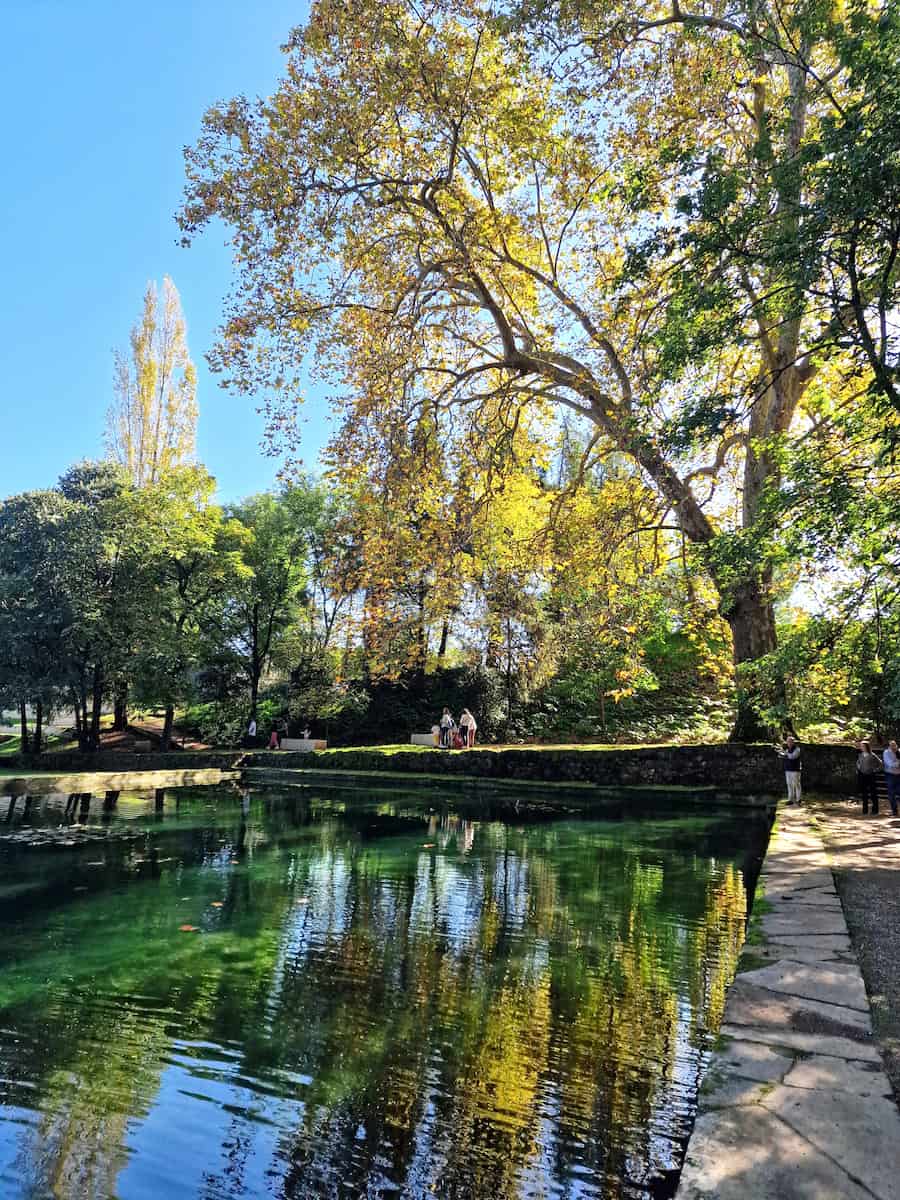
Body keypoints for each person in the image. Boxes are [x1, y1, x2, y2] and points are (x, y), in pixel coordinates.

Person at [856, 740, 882, 815]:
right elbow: (858, 762)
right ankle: (865, 810)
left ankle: (875, 810)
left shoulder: (872, 755)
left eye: (862, 746)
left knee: (873, 793)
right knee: (864, 793)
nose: (861, 747)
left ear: (866, 747)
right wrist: (858, 767)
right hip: (862, 776)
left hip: (871, 776)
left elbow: (880, 764)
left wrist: (875, 770)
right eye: (861, 746)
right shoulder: (860, 755)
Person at [776, 735, 802, 804]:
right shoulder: (787, 749)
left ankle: (798, 799)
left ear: (793, 742)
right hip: (788, 769)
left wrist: (784, 753)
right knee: (789, 784)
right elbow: (784, 755)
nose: (788, 743)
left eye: (790, 741)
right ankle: (790, 799)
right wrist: (780, 752)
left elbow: (792, 756)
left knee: (796, 784)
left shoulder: (797, 749)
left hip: (795, 769)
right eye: (787, 741)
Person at [884, 739, 900, 817]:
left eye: (894, 745)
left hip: (899, 775)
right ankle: (894, 811)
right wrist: (898, 763)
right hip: (890, 775)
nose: (894, 747)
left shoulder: (899, 751)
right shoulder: (886, 753)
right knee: (891, 794)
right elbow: (890, 764)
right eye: (892, 745)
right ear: (889, 746)